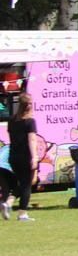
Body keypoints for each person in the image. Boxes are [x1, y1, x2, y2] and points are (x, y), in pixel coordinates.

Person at [3, 93, 41, 221]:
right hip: (25, 157)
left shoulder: (12, 121)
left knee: (23, 183)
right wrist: (34, 157)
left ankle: (8, 203)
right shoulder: (30, 122)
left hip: (13, 157)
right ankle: (22, 214)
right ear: (30, 105)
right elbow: (32, 140)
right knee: (26, 185)